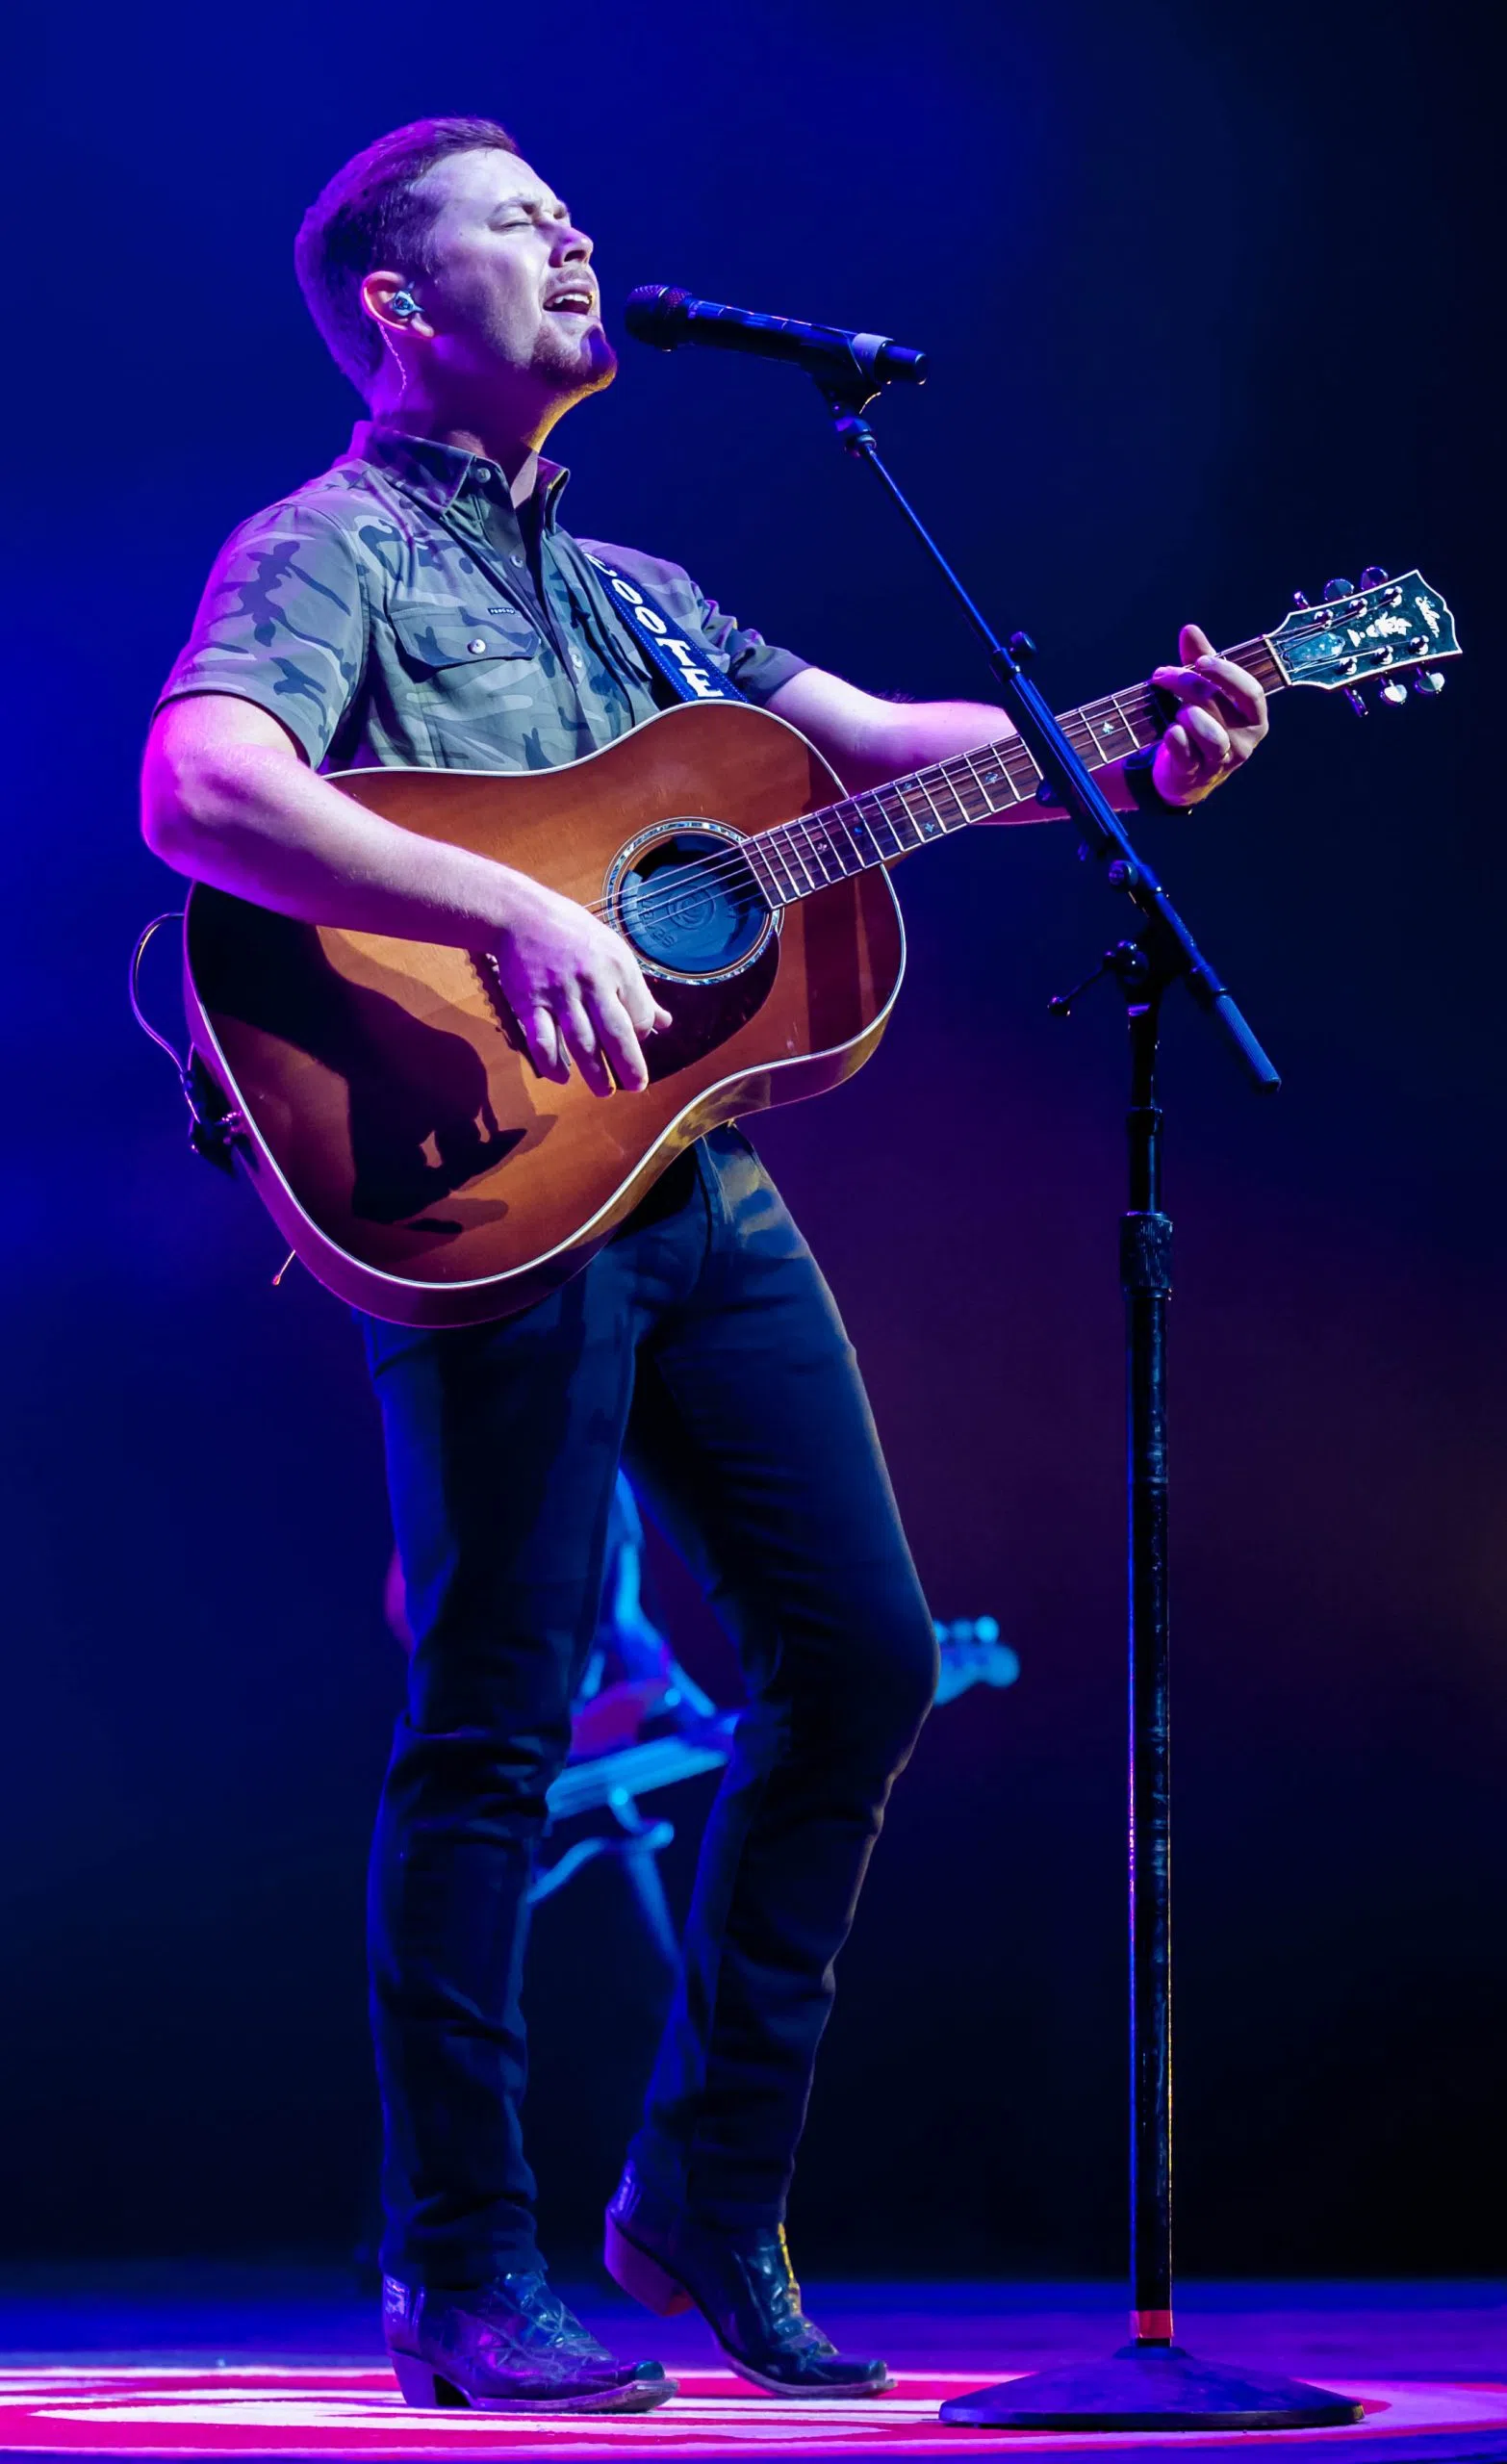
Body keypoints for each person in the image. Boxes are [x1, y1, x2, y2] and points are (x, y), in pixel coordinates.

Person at [140, 116, 1268, 2417]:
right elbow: (202, 787)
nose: (574, 235)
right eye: (515, 218)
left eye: (571, 210)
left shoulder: (643, 591)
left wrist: (1134, 749)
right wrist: (513, 906)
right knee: (500, 1712)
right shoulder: (324, 547)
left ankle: (702, 2200)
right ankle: (463, 2268)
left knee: (859, 1658)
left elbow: (892, 750)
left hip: (690, 1172)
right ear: (395, 302)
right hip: (475, 1179)